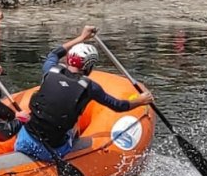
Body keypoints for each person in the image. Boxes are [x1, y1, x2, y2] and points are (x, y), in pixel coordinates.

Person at [14, 26, 153, 161]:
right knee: (74, 126)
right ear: (89, 66)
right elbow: (118, 105)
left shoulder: (49, 70)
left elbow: (54, 53)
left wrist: (82, 37)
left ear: (69, 58)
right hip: (50, 151)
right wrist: (141, 100)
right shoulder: (90, 87)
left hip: (24, 140)